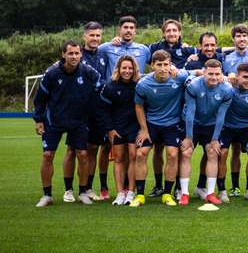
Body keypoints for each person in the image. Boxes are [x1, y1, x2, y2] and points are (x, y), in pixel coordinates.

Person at [33, 41, 101, 207]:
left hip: (79, 120)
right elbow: (40, 98)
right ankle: (47, 195)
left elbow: (101, 88)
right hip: (54, 120)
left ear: (81, 54)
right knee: (47, 155)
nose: (74, 56)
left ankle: (83, 192)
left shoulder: (88, 71)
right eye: (70, 53)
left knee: (82, 154)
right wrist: (39, 119)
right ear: (63, 54)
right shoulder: (52, 73)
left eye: (77, 53)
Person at [130, 50, 190, 207]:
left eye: (166, 64)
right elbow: (138, 106)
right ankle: (140, 195)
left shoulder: (179, 77)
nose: (163, 68)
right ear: (152, 66)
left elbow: (197, 73)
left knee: (172, 154)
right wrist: (144, 130)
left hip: (173, 124)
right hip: (152, 124)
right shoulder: (143, 84)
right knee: (141, 154)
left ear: (170, 65)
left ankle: (167, 194)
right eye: (159, 65)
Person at [63, 22, 110, 202]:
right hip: (77, 110)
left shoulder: (104, 54)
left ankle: (87, 188)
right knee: (72, 149)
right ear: (85, 36)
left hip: (97, 109)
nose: (95, 38)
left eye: (98, 35)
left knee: (93, 148)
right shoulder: (76, 54)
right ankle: (68, 190)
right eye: (92, 35)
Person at [180, 60, 232, 206]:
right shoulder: (194, 86)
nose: (214, 77)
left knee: (213, 153)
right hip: (193, 122)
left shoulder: (227, 90)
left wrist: (215, 139)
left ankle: (210, 193)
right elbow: (190, 112)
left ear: (221, 74)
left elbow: (221, 115)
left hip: (211, 124)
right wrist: (189, 137)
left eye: (217, 74)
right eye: (210, 74)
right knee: (186, 153)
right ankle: (184, 194)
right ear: (204, 73)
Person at [217, 63, 248, 203]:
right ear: (237, 76)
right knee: (222, 153)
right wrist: (224, 78)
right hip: (226, 126)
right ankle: (222, 191)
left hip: (246, 127)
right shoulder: (227, 86)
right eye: (245, 77)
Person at [98, 55, 141, 205]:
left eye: (130, 68)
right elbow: (103, 110)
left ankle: (131, 192)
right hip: (117, 128)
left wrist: (142, 128)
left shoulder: (139, 85)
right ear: (118, 69)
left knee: (133, 157)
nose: (127, 71)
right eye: (124, 68)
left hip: (134, 127)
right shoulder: (110, 86)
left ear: (134, 69)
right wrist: (110, 129)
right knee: (119, 158)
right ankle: (120, 193)